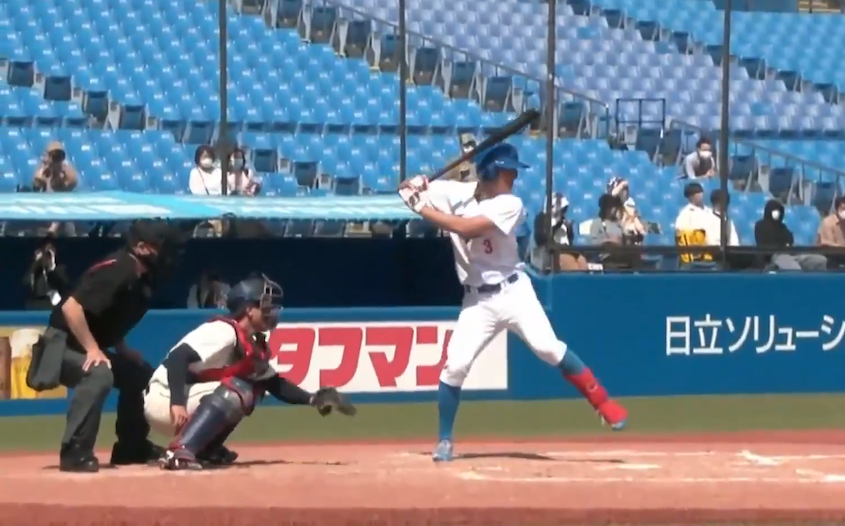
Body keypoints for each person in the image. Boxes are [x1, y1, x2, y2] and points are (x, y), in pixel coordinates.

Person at [397, 143, 628, 462]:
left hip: (514, 291)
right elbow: (408, 188)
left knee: (548, 348)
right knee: (455, 367)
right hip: (477, 301)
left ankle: (603, 403)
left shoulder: (510, 204)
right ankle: (445, 440)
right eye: (508, 172)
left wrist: (421, 206)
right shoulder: (454, 193)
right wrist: (415, 185)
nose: (514, 178)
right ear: (492, 172)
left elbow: (466, 228)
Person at [149, 275, 355, 471]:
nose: (272, 312)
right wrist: (177, 403)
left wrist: (313, 399)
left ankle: (204, 449)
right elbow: (177, 358)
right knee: (239, 390)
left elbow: (273, 383)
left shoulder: (252, 342)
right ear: (248, 309)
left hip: (184, 397)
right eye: (266, 306)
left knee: (252, 390)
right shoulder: (224, 330)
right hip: (164, 397)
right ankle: (179, 451)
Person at [37, 220, 184, 473]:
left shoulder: (142, 276)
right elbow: (71, 308)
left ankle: (131, 447)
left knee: (139, 374)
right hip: (60, 345)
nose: (167, 253)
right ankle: (75, 452)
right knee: (98, 373)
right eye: (162, 246)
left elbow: (107, 316)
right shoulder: (118, 269)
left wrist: (122, 348)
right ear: (141, 247)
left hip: (81, 344)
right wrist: (93, 349)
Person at [754, 199, 827, 271]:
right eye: (775, 211)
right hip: (775, 257)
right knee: (794, 269)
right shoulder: (760, 225)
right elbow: (767, 244)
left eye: (779, 211)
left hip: (791, 254)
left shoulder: (782, 227)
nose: (777, 214)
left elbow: (790, 240)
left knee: (821, 261)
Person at [531, 192, 587, 271]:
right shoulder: (542, 218)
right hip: (551, 253)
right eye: (562, 209)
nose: (564, 212)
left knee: (582, 260)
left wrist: (569, 229)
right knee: (569, 262)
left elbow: (569, 240)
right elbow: (542, 238)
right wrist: (557, 225)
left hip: (565, 249)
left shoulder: (562, 220)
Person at [24, 239, 70, 310]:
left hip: (52, 303)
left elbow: (63, 286)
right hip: (36, 303)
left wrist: (51, 267)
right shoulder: (35, 269)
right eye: (44, 252)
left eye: (49, 252)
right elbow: (26, 283)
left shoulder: (60, 269)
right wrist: (35, 265)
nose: (46, 256)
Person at [674, 182, 712, 264]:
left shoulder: (710, 211)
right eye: (697, 193)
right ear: (690, 196)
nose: (700, 195)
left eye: (700, 192)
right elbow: (681, 233)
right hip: (697, 254)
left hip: (712, 250)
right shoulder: (686, 213)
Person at [606, 177, 646, 243]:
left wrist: (640, 230)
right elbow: (612, 196)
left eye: (625, 189)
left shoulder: (629, 204)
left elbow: (635, 220)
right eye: (622, 190)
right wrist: (621, 185)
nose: (625, 192)